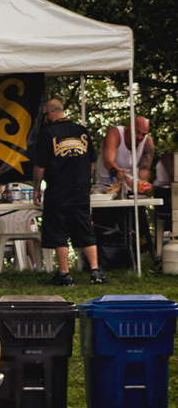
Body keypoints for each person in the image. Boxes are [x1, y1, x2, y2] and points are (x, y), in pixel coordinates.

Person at [32, 99, 109, 286]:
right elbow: (91, 162)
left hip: (58, 190)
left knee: (59, 233)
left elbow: (39, 167)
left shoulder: (47, 134)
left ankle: (64, 275)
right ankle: (95, 271)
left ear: (50, 114)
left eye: (44, 115)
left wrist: (36, 189)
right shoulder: (82, 131)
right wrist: (84, 181)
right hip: (80, 190)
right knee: (86, 229)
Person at [94, 116, 156, 267]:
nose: (140, 137)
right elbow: (109, 162)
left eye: (143, 134)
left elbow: (144, 170)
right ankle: (96, 262)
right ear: (129, 128)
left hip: (128, 189)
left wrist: (143, 184)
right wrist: (126, 178)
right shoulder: (115, 134)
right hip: (106, 188)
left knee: (138, 222)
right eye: (138, 133)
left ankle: (151, 259)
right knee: (101, 227)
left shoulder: (147, 142)